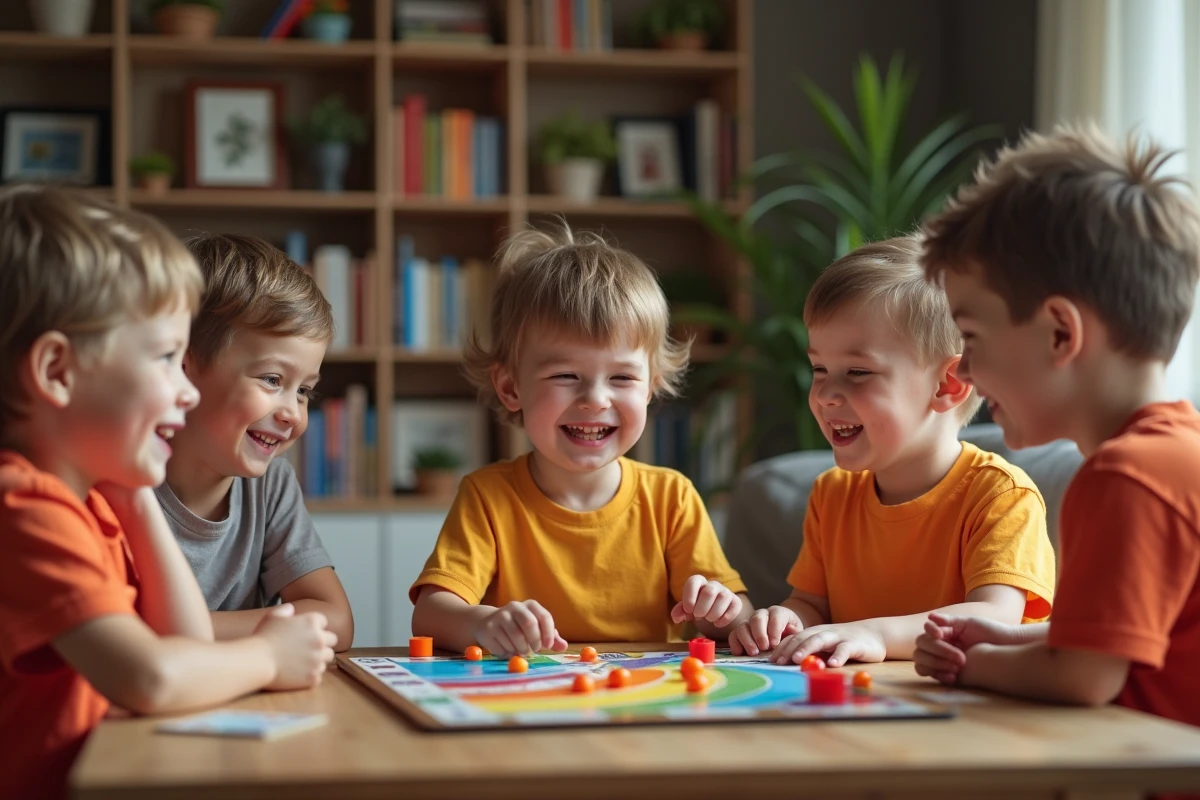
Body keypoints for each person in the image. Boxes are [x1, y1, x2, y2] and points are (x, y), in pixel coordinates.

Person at [0, 186, 335, 800]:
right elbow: (151, 676)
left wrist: (135, 496)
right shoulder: (22, 507)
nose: (184, 392)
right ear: (57, 372)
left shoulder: (96, 502)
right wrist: (266, 655)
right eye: (163, 359)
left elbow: (187, 641)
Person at [913, 125, 1200, 730]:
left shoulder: (1128, 476)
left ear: (1060, 334)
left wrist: (971, 664)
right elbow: (1126, 641)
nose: (962, 366)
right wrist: (1013, 638)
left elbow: (1083, 676)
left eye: (971, 337)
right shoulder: (1177, 453)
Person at [410, 224, 752, 656]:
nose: (595, 400)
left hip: (643, 702)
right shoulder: (487, 496)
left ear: (651, 386)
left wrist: (722, 610)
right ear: (511, 387)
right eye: (566, 376)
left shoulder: (672, 498)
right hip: (530, 700)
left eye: (623, 377)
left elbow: (735, 620)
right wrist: (482, 623)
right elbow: (431, 613)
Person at [729, 236, 1057, 668]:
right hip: (859, 710)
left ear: (947, 386)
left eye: (858, 372)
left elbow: (995, 616)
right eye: (820, 369)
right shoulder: (832, 494)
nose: (825, 393)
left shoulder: (1001, 496)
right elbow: (812, 604)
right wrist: (786, 620)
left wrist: (875, 633)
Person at [156, 233, 353, 649]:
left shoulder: (271, 485)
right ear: (184, 367)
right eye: (272, 380)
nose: (293, 413)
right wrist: (277, 631)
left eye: (304, 391)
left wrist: (183, 629)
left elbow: (335, 621)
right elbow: (119, 632)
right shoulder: (122, 481)